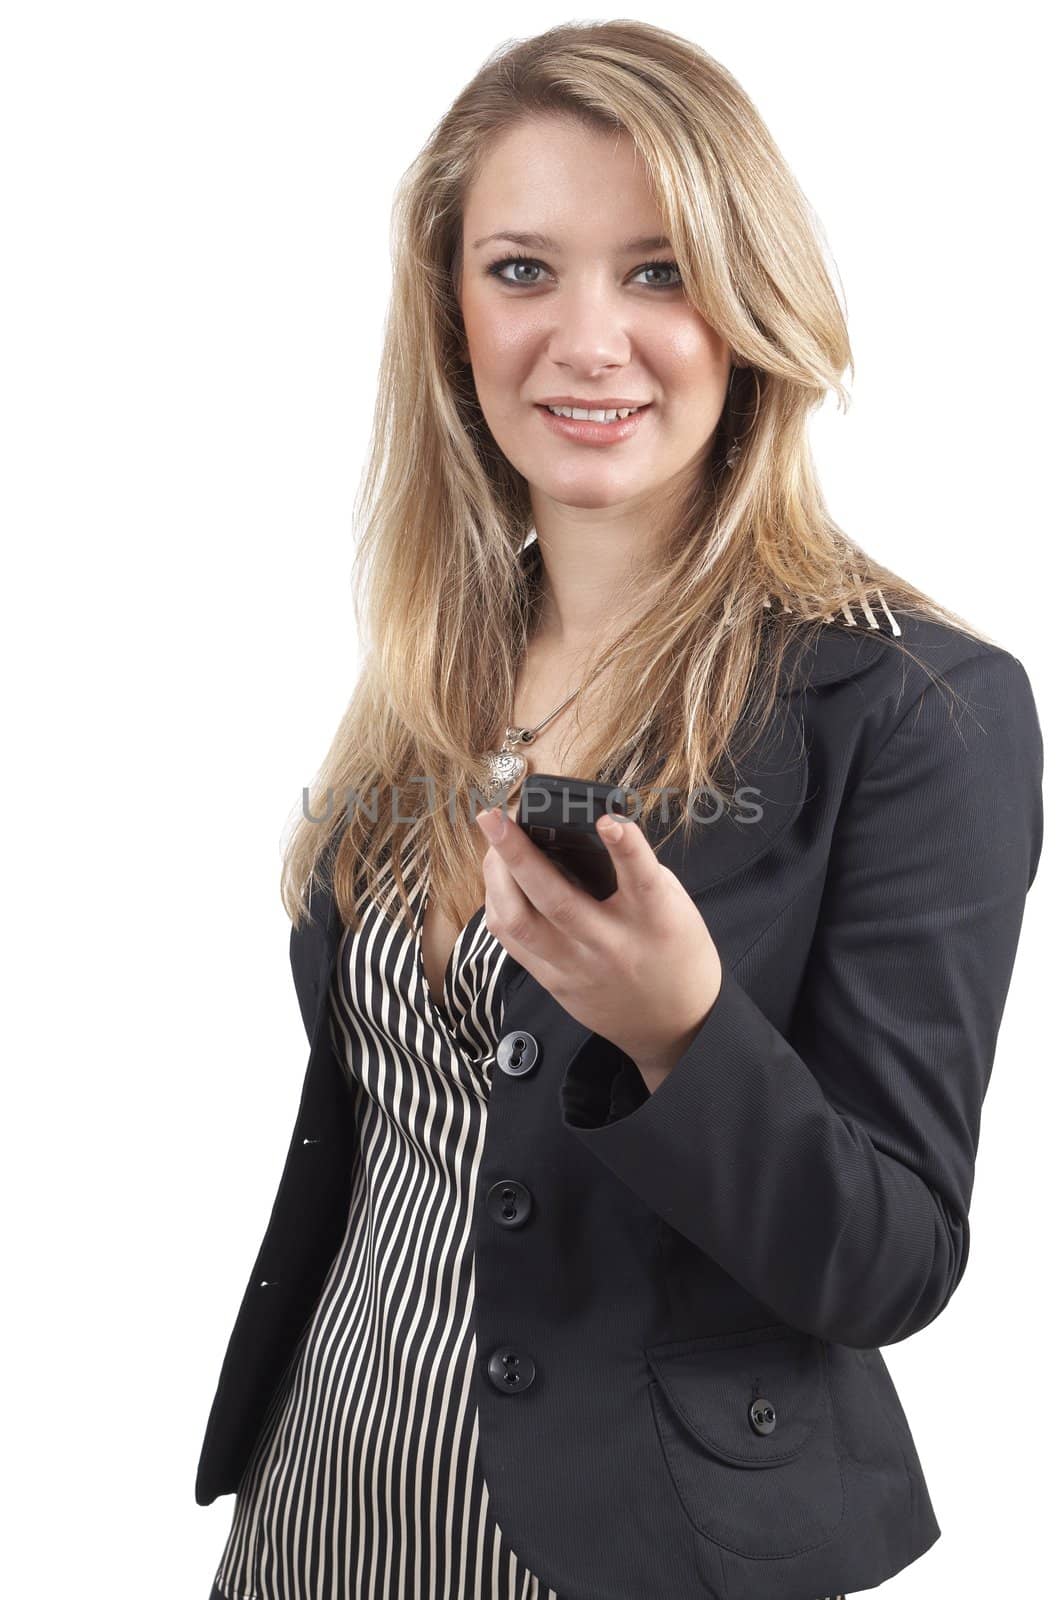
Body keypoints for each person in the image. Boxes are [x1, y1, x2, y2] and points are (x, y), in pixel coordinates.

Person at [195, 20, 1044, 1600]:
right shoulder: (432, 671)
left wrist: (681, 1033)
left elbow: (891, 1260)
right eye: (523, 270)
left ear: (751, 309)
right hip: (322, 1503)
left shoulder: (915, 706)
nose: (586, 340)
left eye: (657, 273)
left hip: (636, 1550)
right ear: (451, 314)